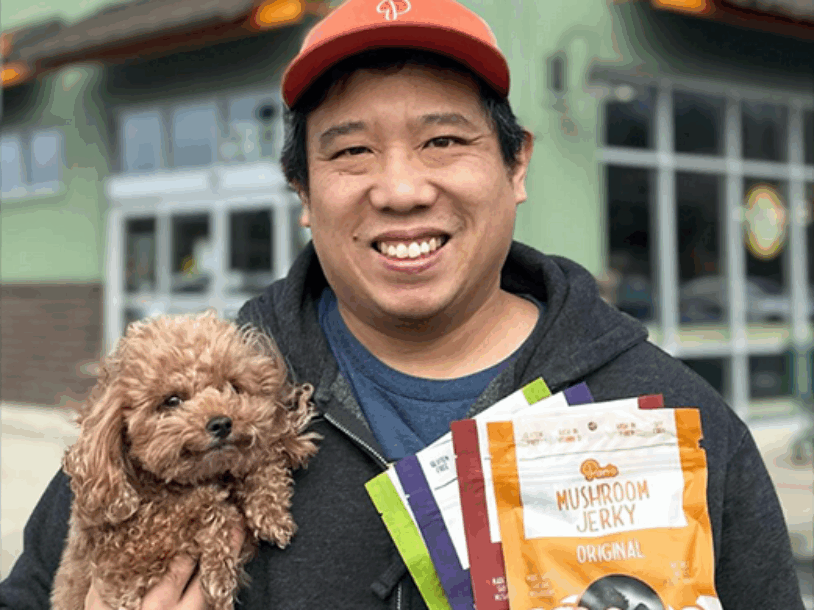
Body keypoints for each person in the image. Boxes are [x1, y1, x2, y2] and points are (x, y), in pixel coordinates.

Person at [0, 0, 806, 608]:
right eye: (350, 151)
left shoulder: (671, 416)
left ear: (516, 165)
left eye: (444, 141)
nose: (401, 188)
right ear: (304, 194)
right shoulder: (196, 412)